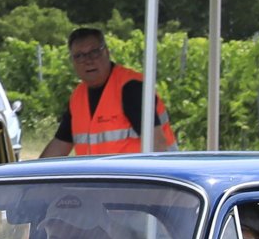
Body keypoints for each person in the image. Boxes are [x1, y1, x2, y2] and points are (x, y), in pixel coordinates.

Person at [39, 28, 178, 157]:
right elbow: (60, 145)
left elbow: (157, 146)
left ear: (107, 52)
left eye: (94, 53)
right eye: (80, 56)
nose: (88, 61)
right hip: (103, 175)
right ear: (72, 62)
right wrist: (33, 172)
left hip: (144, 175)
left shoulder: (131, 88)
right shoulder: (77, 97)